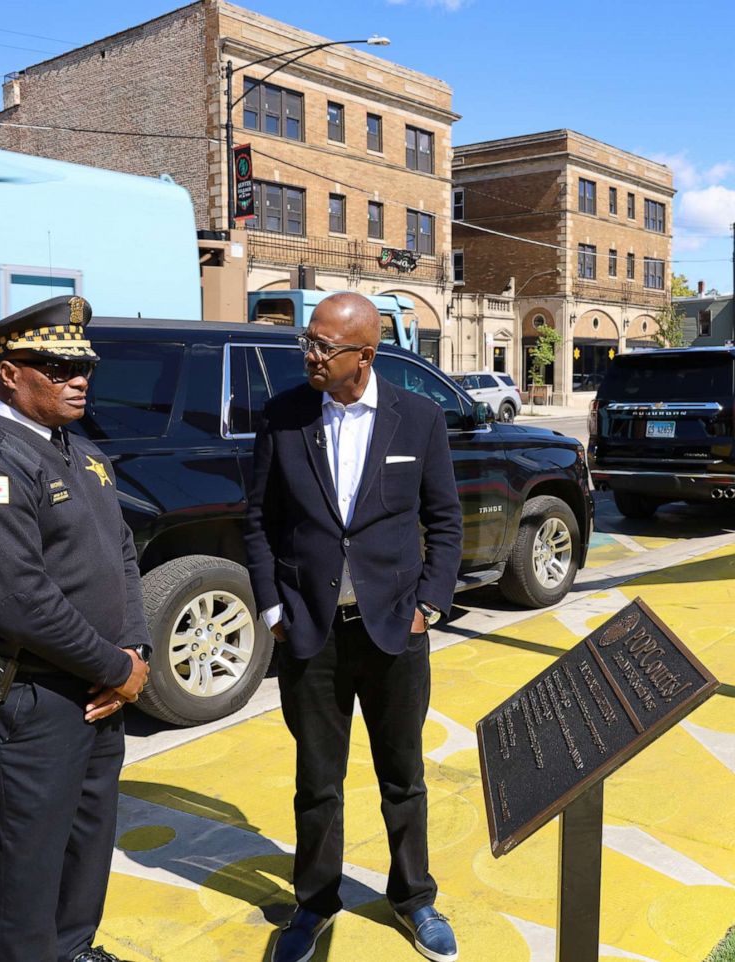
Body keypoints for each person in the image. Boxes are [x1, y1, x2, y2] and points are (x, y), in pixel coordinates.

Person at [0, 295, 151, 962]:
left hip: (100, 690)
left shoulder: (81, 453)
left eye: (82, 365)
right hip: (33, 701)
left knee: (87, 842)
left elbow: (122, 553)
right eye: (56, 366)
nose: (77, 377)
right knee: (28, 869)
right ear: (10, 372)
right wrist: (118, 670)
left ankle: (73, 949)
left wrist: (133, 650)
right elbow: (22, 604)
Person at [244, 292, 463, 962]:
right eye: (306, 343)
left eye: (323, 346)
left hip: (395, 630)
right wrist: (274, 610)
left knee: (402, 774)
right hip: (311, 633)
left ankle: (414, 898)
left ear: (364, 356)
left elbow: (446, 522)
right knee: (318, 781)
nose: (309, 355)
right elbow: (259, 520)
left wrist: (430, 603)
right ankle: (313, 905)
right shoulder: (285, 417)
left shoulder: (417, 418)